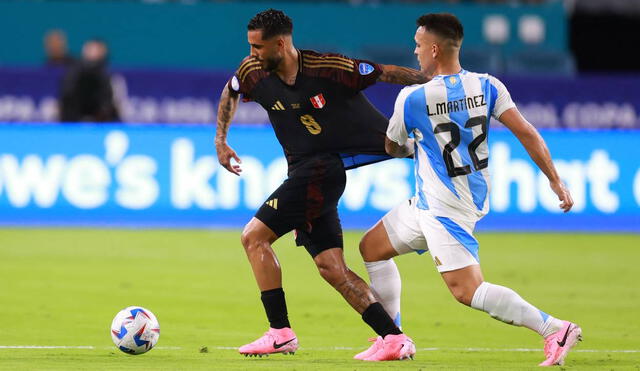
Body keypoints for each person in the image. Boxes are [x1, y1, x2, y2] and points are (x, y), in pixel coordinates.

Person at [356, 13, 582, 366]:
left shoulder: (412, 98)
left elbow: (391, 147)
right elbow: (526, 132)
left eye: (418, 46)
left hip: (445, 207)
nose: (415, 53)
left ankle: (555, 328)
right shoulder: (488, 85)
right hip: (442, 201)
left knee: (467, 290)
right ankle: (393, 337)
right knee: (372, 247)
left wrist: (412, 145)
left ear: (433, 48)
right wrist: (555, 180)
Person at [215, 9, 428, 360]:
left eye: (257, 47)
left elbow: (387, 73)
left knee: (253, 237)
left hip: (321, 172)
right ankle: (393, 338)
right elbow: (231, 90)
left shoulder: (328, 68)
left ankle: (280, 332)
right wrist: (220, 141)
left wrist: (442, 84)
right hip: (306, 173)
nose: (251, 54)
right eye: (250, 46)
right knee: (332, 268)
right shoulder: (252, 71)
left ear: (281, 44)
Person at [59, 38, 120, 122]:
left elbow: (108, 102)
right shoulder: (73, 73)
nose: (93, 54)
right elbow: (67, 96)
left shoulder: (106, 76)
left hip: (101, 123)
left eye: (97, 51)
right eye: (91, 50)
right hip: (74, 121)